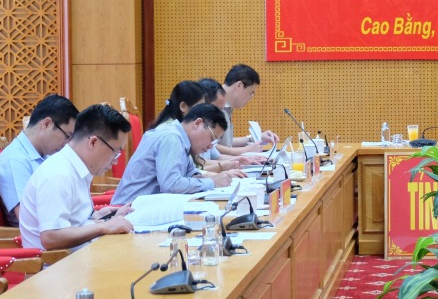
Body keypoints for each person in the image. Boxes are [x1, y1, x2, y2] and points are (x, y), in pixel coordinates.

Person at [18, 104, 134, 250]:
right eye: (115, 152)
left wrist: (98, 218)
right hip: (60, 263)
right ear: (93, 142)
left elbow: (72, 222)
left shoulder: (75, 168)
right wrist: (103, 227)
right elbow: (51, 237)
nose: (116, 160)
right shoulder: (59, 174)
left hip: (82, 255)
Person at [111, 103, 242, 204]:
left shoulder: (182, 140)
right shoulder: (171, 137)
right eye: (212, 138)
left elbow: (191, 174)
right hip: (128, 212)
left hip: (146, 207)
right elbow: (171, 184)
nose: (210, 146)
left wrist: (221, 178)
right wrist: (212, 182)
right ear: (198, 123)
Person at [0, 94, 79, 226]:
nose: (66, 143)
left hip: (61, 227)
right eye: (67, 136)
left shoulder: (46, 155)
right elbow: (28, 220)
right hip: (41, 236)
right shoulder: (15, 160)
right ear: (47, 124)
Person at [214, 64, 279, 155]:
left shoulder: (227, 107)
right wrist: (244, 150)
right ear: (239, 85)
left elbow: (225, 143)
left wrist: (252, 139)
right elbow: (209, 146)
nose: (251, 97)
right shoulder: (213, 103)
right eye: (250, 92)